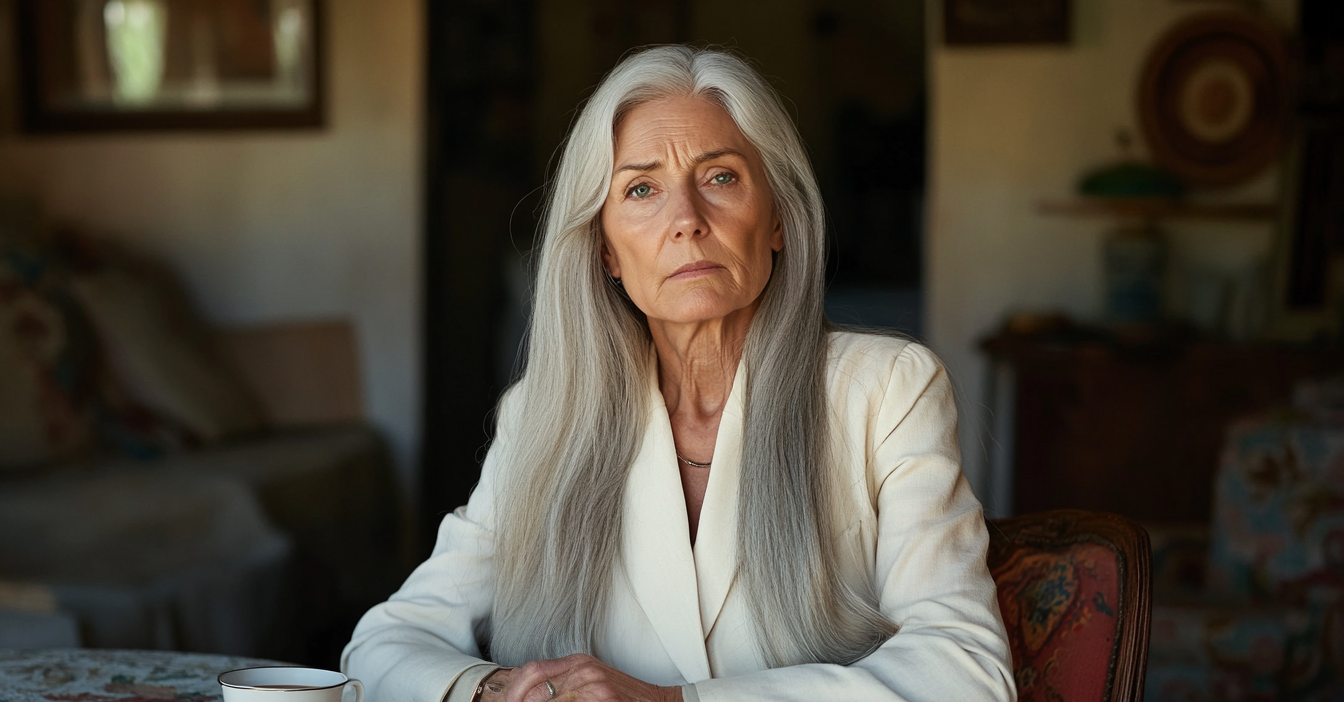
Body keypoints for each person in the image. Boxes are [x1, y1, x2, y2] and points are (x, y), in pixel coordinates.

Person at [342, 45, 1015, 702]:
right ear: (605, 250)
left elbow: (965, 671)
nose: (686, 221)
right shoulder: (542, 417)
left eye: (721, 177)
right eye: (641, 189)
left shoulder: (886, 390)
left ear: (777, 217)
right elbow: (383, 645)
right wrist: (498, 689)